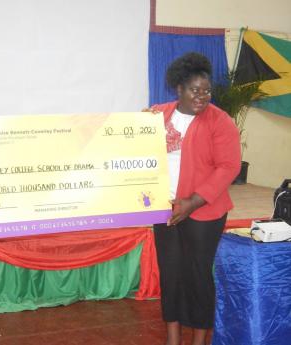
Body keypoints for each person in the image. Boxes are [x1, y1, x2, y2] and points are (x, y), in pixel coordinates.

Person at [147, 53, 241, 345]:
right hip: (166, 210)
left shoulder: (220, 121)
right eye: (194, 90)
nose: (202, 96)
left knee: (198, 276)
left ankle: (200, 340)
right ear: (179, 89)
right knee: (171, 274)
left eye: (206, 90)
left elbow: (229, 166)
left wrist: (192, 202)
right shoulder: (158, 115)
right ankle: (173, 337)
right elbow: (131, 142)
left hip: (204, 212)